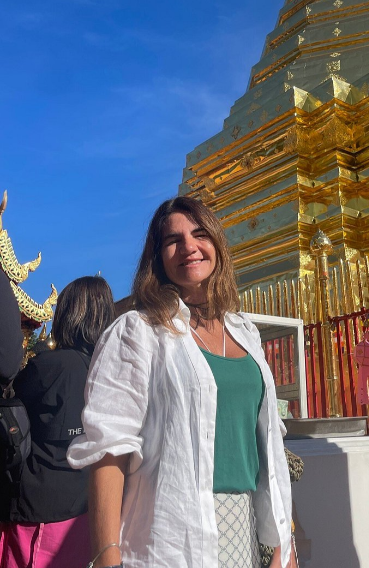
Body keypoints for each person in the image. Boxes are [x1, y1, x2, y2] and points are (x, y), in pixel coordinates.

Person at [68, 197, 294, 568]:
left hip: (247, 530)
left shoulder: (246, 333)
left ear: (217, 244)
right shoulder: (137, 332)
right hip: (170, 538)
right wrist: (107, 556)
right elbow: (109, 449)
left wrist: (285, 544)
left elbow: (269, 444)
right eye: (173, 240)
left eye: (199, 234)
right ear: (158, 258)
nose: (189, 246)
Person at [0, 276, 115, 568]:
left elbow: (13, 406)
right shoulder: (109, 370)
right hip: (83, 509)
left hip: (39, 509)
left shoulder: (49, 366)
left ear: (67, 315)